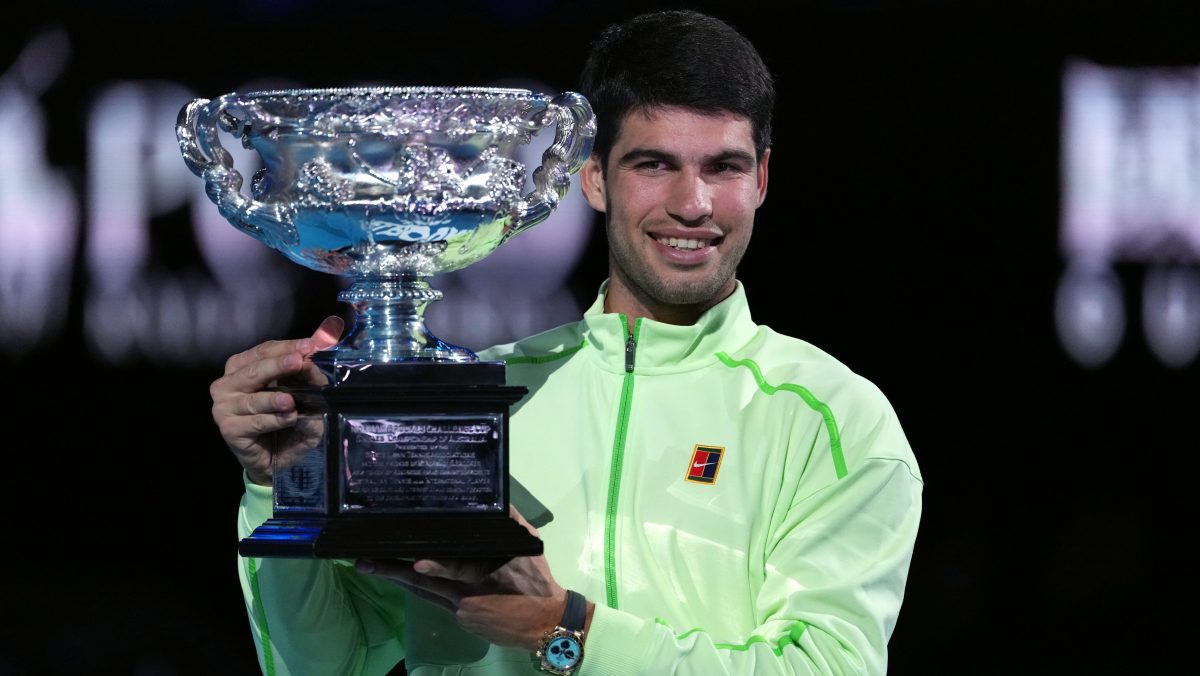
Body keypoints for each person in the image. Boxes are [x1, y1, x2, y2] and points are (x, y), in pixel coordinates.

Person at [210, 9, 923, 676]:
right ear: (592, 178)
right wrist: (283, 485)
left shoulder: (833, 419)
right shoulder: (472, 404)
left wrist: (568, 629)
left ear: (762, 178)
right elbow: (329, 661)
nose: (693, 203)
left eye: (724, 167)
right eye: (654, 164)